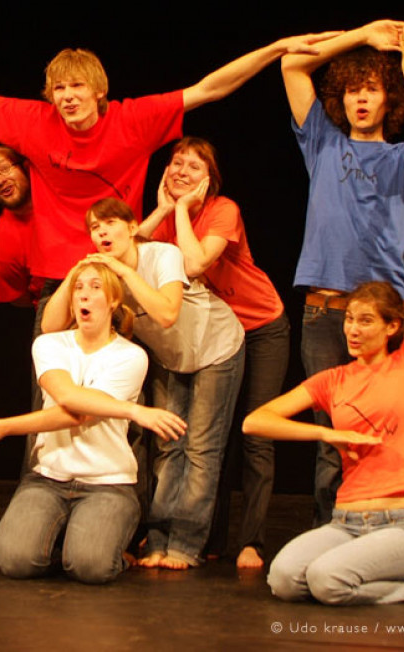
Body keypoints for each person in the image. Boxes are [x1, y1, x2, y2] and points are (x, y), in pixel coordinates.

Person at [0, 31, 338, 307]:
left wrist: (274, 50)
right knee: (50, 399)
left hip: (121, 274)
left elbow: (209, 88)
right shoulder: (36, 121)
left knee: (119, 398)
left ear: (98, 91)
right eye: (59, 89)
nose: (67, 98)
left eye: (77, 87)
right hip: (56, 281)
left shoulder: (133, 120)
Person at [244, 143, 404, 605]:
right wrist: (326, 438)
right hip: (345, 521)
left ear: (393, 326)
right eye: (350, 320)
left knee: (325, 582)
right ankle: (392, 580)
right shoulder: (334, 381)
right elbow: (256, 422)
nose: (352, 330)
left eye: (366, 321)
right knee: (283, 579)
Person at [280, 20, 404, 525]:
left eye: (371, 90)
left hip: (381, 315)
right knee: (331, 434)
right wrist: (363, 35)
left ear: (387, 101)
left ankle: (385, 525)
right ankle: (330, 531)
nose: (360, 99)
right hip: (325, 311)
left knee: (385, 426)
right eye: (353, 90)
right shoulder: (323, 144)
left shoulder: (401, 157)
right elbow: (292, 62)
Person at [43, 199, 244, 570]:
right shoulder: (103, 272)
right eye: (94, 227)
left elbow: (167, 313)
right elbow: (50, 326)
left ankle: (185, 545)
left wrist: (122, 269)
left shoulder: (162, 255)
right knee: (167, 447)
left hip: (217, 348)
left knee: (200, 449)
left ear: (132, 227)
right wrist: (76, 275)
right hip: (173, 358)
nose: (101, 232)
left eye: (109, 223)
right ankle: (159, 539)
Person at [0, 261, 186, 584]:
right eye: (78, 288)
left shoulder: (131, 356)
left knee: (90, 568)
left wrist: (5, 427)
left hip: (107, 485)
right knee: (15, 562)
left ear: (112, 300)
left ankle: (95, 545)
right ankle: (54, 538)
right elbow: (67, 398)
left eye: (95, 287)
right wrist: (134, 411)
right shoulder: (49, 344)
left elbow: (79, 414)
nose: (84, 295)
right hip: (48, 479)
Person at [139, 137, 289, 569]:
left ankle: (252, 543)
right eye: (175, 163)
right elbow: (132, 248)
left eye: (193, 166)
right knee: (197, 437)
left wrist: (183, 210)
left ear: (209, 180)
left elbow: (195, 264)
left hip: (258, 326)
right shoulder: (170, 217)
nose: (181, 171)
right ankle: (206, 540)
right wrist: (166, 209)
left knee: (254, 436)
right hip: (209, 338)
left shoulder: (223, 210)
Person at [0, 145, 43, 307]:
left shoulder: (60, 193)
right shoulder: (1, 251)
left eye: (4, 169)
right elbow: (20, 299)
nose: (0, 181)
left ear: (25, 166)